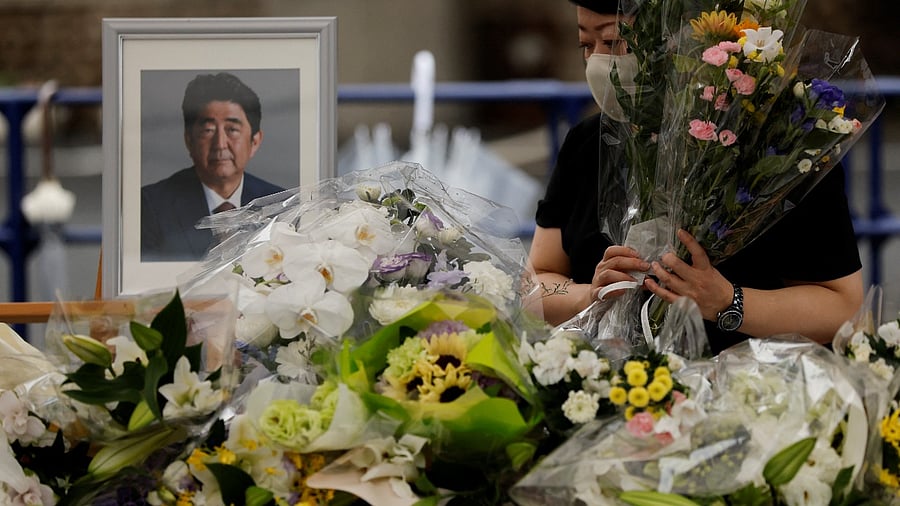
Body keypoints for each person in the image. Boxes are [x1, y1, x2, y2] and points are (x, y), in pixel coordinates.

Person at [528, 0, 864, 354]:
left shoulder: (779, 149)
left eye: (612, 43)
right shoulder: (586, 145)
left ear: (678, 42)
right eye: (586, 45)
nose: (597, 61)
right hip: (612, 387)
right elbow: (538, 280)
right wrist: (591, 294)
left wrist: (727, 302)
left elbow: (841, 308)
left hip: (750, 390)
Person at [141, 72, 285, 262]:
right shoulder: (151, 206)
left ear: (255, 142)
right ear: (189, 140)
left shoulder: (279, 206)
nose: (220, 143)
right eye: (208, 130)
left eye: (232, 130)